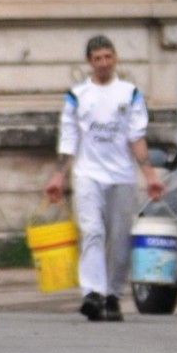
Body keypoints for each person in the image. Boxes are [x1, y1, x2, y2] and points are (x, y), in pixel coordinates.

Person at [43, 36, 166, 322]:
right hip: (88, 175)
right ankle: (93, 292)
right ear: (89, 62)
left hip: (121, 175)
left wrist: (150, 176)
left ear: (116, 58)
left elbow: (137, 136)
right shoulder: (77, 95)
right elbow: (70, 138)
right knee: (93, 231)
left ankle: (112, 295)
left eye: (108, 57)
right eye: (97, 58)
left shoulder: (130, 93)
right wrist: (57, 177)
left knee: (120, 237)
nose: (103, 63)